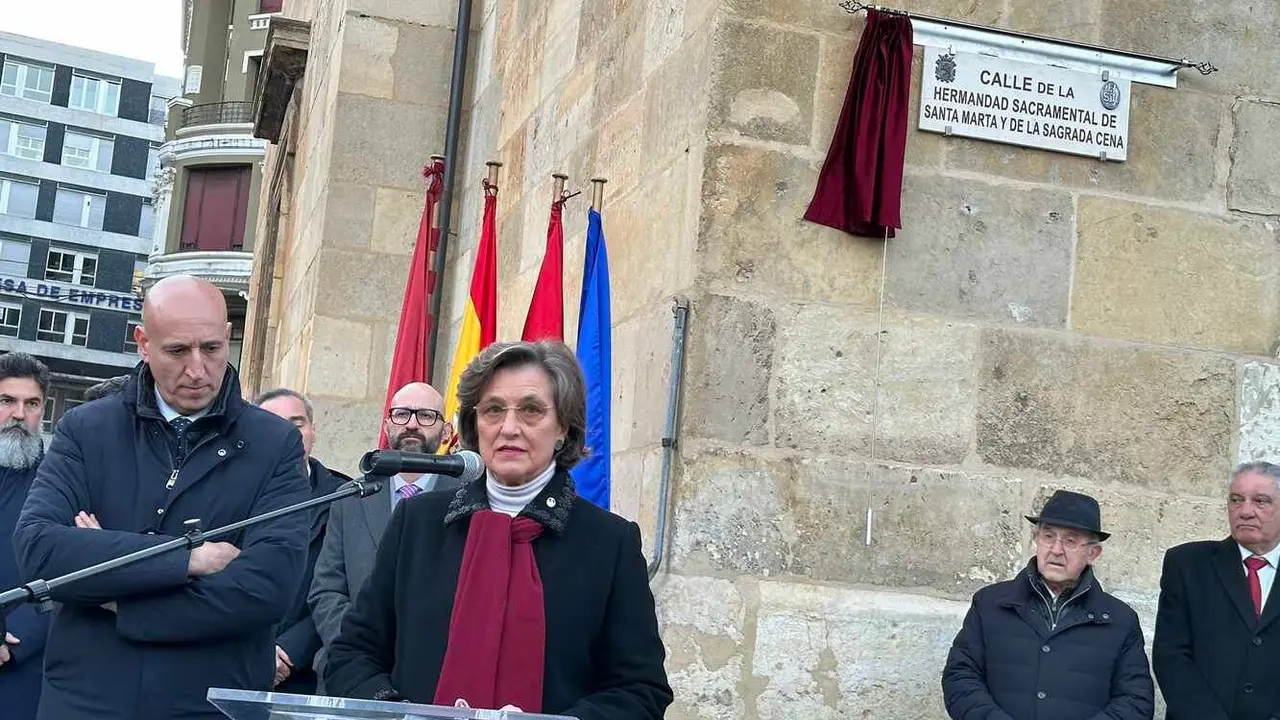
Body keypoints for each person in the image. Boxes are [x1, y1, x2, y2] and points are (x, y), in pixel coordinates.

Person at [13, 275, 311, 720]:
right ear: (143, 343)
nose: (197, 369)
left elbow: (265, 588)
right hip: (85, 700)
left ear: (227, 337)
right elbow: (39, 549)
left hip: (211, 704)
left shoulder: (275, 444)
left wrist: (115, 598)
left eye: (211, 348)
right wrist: (186, 560)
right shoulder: (86, 429)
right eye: (177, 351)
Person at [324, 341, 672, 718]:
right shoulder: (417, 523)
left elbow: (640, 691)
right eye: (493, 410)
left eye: (531, 410)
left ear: (563, 428)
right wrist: (399, 713)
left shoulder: (609, 543)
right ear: (474, 424)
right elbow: (351, 654)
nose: (509, 427)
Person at [942, 490, 1153, 720]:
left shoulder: (1119, 620)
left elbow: (1135, 701)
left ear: (1093, 553)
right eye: (1048, 536)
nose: (1056, 549)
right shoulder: (990, 604)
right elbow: (960, 677)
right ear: (1036, 539)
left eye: (1070, 540)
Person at [308, 381, 462, 692]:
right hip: (350, 674)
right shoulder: (350, 497)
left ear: (446, 432)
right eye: (402, 414)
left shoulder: (464, 499)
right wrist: (361, 647)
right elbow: (326, 589)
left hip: (437, 678)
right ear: (387, 424)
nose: (412, 425)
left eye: (426, 416)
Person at [1153, 461, 1280, 720]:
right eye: (1236, 499)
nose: (1245, 511)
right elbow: (1171, 656)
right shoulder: (1187, 564)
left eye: (1260, 501)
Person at [254, 388, 349, 694]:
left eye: (297, 424)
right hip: (234, 664)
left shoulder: (346, 498)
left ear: (312, 431)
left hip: (308, 675)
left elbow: (347, 587)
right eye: (274, 424)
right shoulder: (228, 496)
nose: (288, 434)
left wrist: (290, 650)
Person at [0, 353, 52, 720]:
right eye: (7, 401)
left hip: (22, 666)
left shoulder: (61, 484)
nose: (20, 414)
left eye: (31, 403)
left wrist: (13, 639)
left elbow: (73, 573)